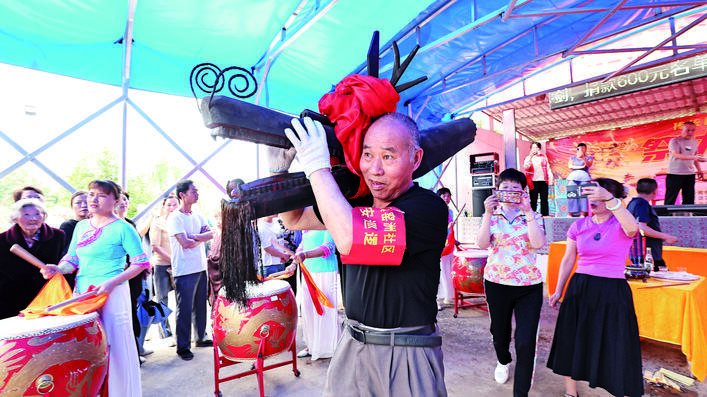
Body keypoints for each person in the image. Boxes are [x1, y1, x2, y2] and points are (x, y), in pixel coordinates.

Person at [276, 113, 449, 396]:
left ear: (415, 159)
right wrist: (279, 174)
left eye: (388, 157)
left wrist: (318, 169)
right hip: (351, 345)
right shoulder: (356, 203)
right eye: (367, 154)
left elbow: (351, 240)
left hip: (407, 351)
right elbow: (294, 220)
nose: (374, 169)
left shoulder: (427, 208)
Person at [41, 180, 148, 396]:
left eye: (101, 195)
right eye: (91, 194)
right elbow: (72, 259)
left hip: (112, 292)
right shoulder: (81, 227)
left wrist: (112, 282)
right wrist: (58, 269)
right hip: (83, 293)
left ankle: (121, 392)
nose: (93, 199)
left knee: (115, 344)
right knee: (86, 345)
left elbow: (141, 263)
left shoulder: (123, 228)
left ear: (115, 201)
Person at [547, 178, 643, 397]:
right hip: (580, 288)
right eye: (592, 192)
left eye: (601, 192)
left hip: (612, 289)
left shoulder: (621, 222)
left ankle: (618, 389)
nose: (594, 197)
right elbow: (568, 260)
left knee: (614, 341)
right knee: (573, 339)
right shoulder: (578, 226)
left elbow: (632, 229)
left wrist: (609, 199)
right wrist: (558, 289)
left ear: (613, 197)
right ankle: (571, 393)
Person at [477, 168, 546, 397]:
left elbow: (537, 244)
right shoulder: (492, 215)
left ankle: (521, 392)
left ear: (523, 192)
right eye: (505, 188)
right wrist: (487, 214)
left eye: (515, 188)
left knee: (526, 341)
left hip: (529, 286)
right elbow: (481, 244)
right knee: (500, 332)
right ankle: (503, 360)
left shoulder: (534, 216)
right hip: (497, 282)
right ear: (497, 191)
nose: (509, 193)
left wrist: (528, 213)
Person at [167, 179, 213, 361]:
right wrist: (198, 238)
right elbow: (184, 243)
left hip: (201, 266)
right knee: (184, 309)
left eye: (197, 190)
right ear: (182, 195)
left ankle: (200, 337)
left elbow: (210, 234)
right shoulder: (175, 217)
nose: (197, 193)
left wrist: (194, 236)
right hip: (184, 269)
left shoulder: (198, 215)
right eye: (193, 191)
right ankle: (183, 346)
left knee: (201, 305)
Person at [0, 199, 65, 319]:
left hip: (48, 300)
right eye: (26, 214)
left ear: (44, 216)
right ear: (14, 219)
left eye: (37, 214)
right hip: (10, 302)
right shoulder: (2, 240)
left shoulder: (58, 236)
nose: (33, 218)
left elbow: (65, 264)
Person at [292, 230, 340, 360]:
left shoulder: (326, 221)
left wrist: (305, 255)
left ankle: (329, 348)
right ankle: (312, 346)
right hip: (308, 271)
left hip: (325, 271)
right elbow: (303, 244)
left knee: (325, 311)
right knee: (309, 311)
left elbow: (328, 248)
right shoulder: (306, 224)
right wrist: (293, 264)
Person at [627, 178, 678, 270]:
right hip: (648, 255)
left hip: (639, 253)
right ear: (655, 191)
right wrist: (666, 236)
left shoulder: (632, 204)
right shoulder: (642, 204)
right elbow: (642, 228)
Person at [150, 195, 179, 336]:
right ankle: (165, 331)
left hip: (179, 265)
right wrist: (172, 260)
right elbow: (155, 246)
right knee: (162, 299)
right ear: (164, 207)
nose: (172, 208)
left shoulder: (181, 221)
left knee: (181, 298)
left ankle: (182, 332)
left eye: (175, 205)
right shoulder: (158, 223)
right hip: (162, 265)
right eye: (169, 205)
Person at [664, 121, 706, 205]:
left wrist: (699, 170)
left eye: (693, 130)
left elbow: (695, 157)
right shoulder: (675, 141)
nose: (690, 132)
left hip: (689, 174)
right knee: (670, 198)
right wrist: (694, 157)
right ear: (682, 130)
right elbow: (676, 155)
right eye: (688, 130)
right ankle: (665, 217)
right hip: (675, 173)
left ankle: (688, 217)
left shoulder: (695, 142)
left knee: (689, 199)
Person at [436, 187, 455, 308]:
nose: (447, 198)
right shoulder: (435, 210)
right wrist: (447, 228)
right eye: (444, 196)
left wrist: (455, 240)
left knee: (448, 271)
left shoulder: (450, 211)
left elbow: (451, 231)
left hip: (449, 245)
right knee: (439, 272)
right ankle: (437, 299)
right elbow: (435, 228)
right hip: (439, 245)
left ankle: (448, 296)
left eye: (448, 196)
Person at [523, 142, 554, 216]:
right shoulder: (529, 158)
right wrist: (530, 156)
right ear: (530, 149)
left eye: (536, 147)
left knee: (544, 200)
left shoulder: (543, 157)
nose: (535, 149)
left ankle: (545, 216)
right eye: (533, 148)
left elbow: (548, 168)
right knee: (533, 200)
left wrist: (550, 179)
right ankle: (532, 215)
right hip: (533, 182)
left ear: (539, 149)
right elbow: (526, 166)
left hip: (543, 181)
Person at [566, 143, 593, 217]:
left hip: (584, 177)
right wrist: (581, 167)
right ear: (577, 149)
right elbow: (570, 166)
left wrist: (583, 157)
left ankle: (583, 213)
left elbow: (588, 165)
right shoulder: (572, 158)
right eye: (580, 148)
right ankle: (570, 213)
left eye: (583, 148)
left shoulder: (589, 157)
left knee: (583, 195)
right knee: (571, 194)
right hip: (573, 177)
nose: (582, 150)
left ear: (586, 149)